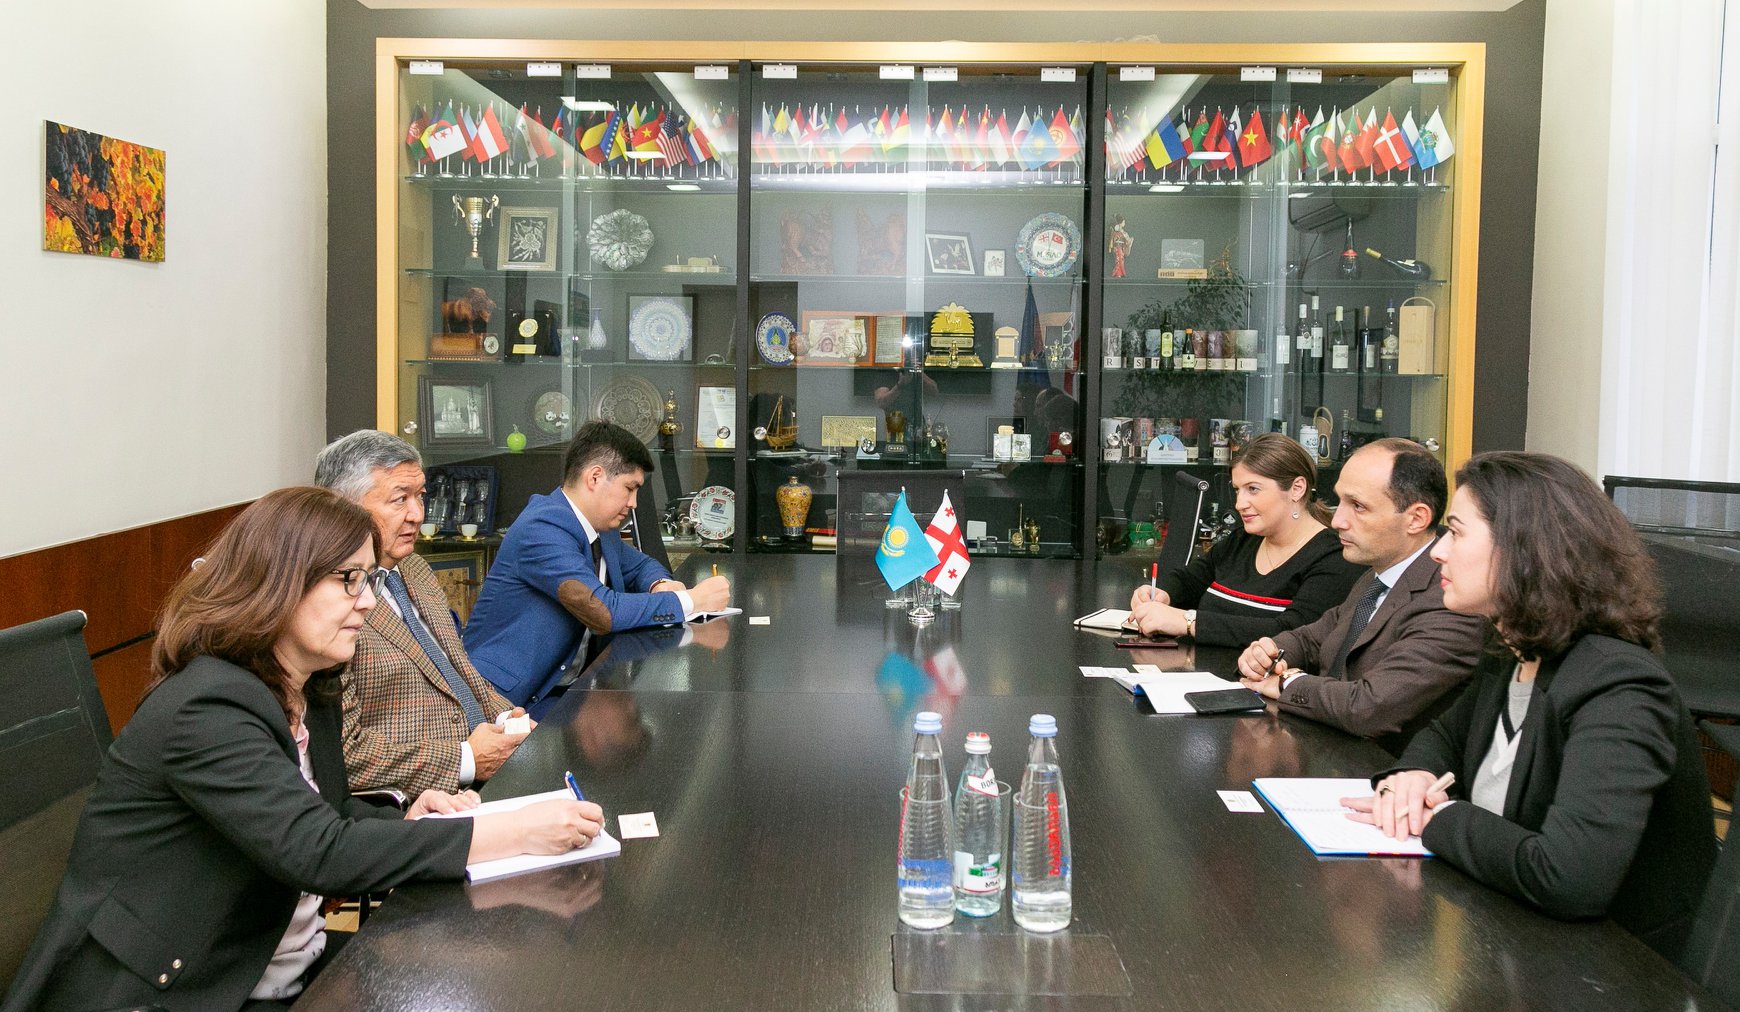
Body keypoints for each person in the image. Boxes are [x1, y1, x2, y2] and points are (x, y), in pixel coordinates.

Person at [3, 487, 601, 1011]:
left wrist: (406, 817)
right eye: (347, 580)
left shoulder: (311, 686)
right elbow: (318, 851)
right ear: (277, 584)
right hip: (176, 991)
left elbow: (326, 814)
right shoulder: (208, 706)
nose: (367, 601)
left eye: (368, 580)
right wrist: (512, 831)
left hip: (277, 965)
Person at [1346, 452, 1716, 961]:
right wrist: (1413, 776)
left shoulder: (1620, 685)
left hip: (1621, 969)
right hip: (1513, 937)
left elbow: (1568, 877)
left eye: (1456, 532)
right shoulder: (1510, 647)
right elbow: (1445, 736)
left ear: (1525, 549)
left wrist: (1437, 817)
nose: (1438, 552)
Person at [314, 430, 529, 798]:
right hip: (426, 799)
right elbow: (343, 753)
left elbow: (458, 667)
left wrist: (505, 718)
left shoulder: (415, 567)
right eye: (400, 499)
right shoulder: (329, 602)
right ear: (344, 507)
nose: (418, 514)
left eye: (420, 496)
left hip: (492, 769)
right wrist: (466, 759)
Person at [1235, 438, 1485, 751]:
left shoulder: (1452, 598)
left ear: (1416, 518)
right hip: (1325, 749)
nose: (1337, 520)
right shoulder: (1378, 572)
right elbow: (1314, 637)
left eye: (1358, 506)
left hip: (1382, 768)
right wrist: (1267, 653)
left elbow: (1368, 707)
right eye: (1340, 501)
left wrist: (1288, 682)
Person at [464, 420, 731, 707]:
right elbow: (602, 611)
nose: (634, 503)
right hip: (504, 700)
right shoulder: (542, 528)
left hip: (570, 692)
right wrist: (691, 600)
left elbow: (641, 566)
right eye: (629, 488)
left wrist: (660, 584)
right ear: (594, 477)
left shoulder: (600, 528)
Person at [1128, 433, 1361, 645]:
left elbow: (1293, 633)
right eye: (1237, 490)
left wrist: (1188, 622)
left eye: (1253, 489)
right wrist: (1162, 593)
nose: (1239, 504)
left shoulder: (1334, 558)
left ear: (1297, 488)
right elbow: (1190, 580)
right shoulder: (1243, 540)